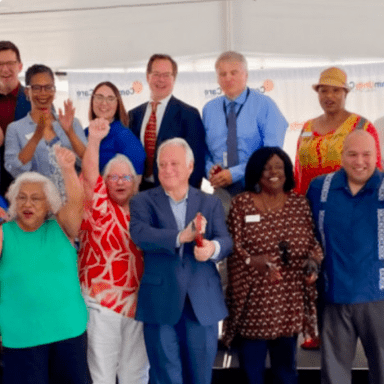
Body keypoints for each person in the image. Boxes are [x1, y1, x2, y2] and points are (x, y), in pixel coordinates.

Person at [130, 138, 233, 384]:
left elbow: (226, 240)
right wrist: (180, 236)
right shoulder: (142, 201)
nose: (167, 169)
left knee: (200, 377)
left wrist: (211, 248)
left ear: (190, 166)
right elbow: (140, 235)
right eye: (162, 164)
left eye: (174, 163)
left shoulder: (210, 202)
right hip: (160, 302)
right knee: (166, 377)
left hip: (201, 303)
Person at [222, 147, 323, 384]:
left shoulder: (299, 204)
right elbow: (233, 249)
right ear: (256, 172)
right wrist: (252, 262)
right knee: (252, 375)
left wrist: (312, 264)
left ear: (287, 171)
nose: (273, 172)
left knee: (286, 374)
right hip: (254, 306)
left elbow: (313, 244)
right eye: (266, 167)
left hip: (289, 302)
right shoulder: (242, 204)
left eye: (278, 166)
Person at [0, 146, 90, 384]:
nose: (28, 204)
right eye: (22, 197)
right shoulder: (3, 234)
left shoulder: (62, 228)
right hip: (21, 338)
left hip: (68, 333)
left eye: (36, 198)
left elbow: (78, 202)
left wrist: (68, 169)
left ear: (50, 204)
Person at [306, 130, 384, 384]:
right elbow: (306, 235)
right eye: (352, 154)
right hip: (334, 298)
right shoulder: (319, 188)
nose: (359, 161)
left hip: (380, 300)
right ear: (341, 156)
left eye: (366, 155)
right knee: (334, 377)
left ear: (377, 156)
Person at [78, 118, 149, 384]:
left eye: (126, 177)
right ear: (104, 182)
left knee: (136, 375)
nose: (120, 182)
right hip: (102, 303)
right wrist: (94, 140)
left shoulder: (145, 212)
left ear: (135, 181)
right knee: (101, 376)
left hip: (139, 305)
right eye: (113, 177)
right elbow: (90, 173)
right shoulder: (99, 207)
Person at [203, 51, 288, 211]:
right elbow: (203, 150)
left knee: (256, 234)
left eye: (234, 72)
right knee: (222, 234)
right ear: (217, 78)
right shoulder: (209, 109)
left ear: (246, 75)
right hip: (221, 193)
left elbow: (271, 152)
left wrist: (234, 173)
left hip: (259, 188)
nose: (228, 78)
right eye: (223, 74)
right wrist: (210, 171)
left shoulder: (265, 105)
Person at [295, 66, 382, 196]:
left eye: (336, 90)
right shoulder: (307, 127)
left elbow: (375, 168)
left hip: (349, 201)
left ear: (345, 93)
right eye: (323, 91)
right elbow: (298, 168)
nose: (329, 96)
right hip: (309, 202)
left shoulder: (361, 126)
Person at [4, 64, 87, 197]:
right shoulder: (15, 129)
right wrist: (36, 137)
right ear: (27, 92)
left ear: (54, 91)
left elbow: (87, 162)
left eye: (48, 87)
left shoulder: (72, 122)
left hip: (73, 203)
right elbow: (14, 168)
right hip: (36, 205)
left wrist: (70, 132)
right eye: (36, 88)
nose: (43, 93)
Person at [128, 54, 206, 190]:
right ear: (148, 76)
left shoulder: (189, 114)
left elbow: (196, 162)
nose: (161, 80)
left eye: (166, 75)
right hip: (138, 191)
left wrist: (186, 197)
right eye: (156, 74)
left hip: (173, 192)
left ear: (174, 78)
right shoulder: (133, 115)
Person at [85, 81, 146, 176]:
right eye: (99, 97)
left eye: (110, 98)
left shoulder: (124, 136)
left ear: (117, 104)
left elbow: (136, 179)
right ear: (92, 101)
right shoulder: (84, 133)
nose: (104, 103)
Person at [0, 41, 31, 194]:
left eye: (10, 63)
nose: (4, 69)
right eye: (0, 64)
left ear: (20, 66)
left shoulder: (35, 99)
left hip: (27, 180)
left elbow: (49, 129)